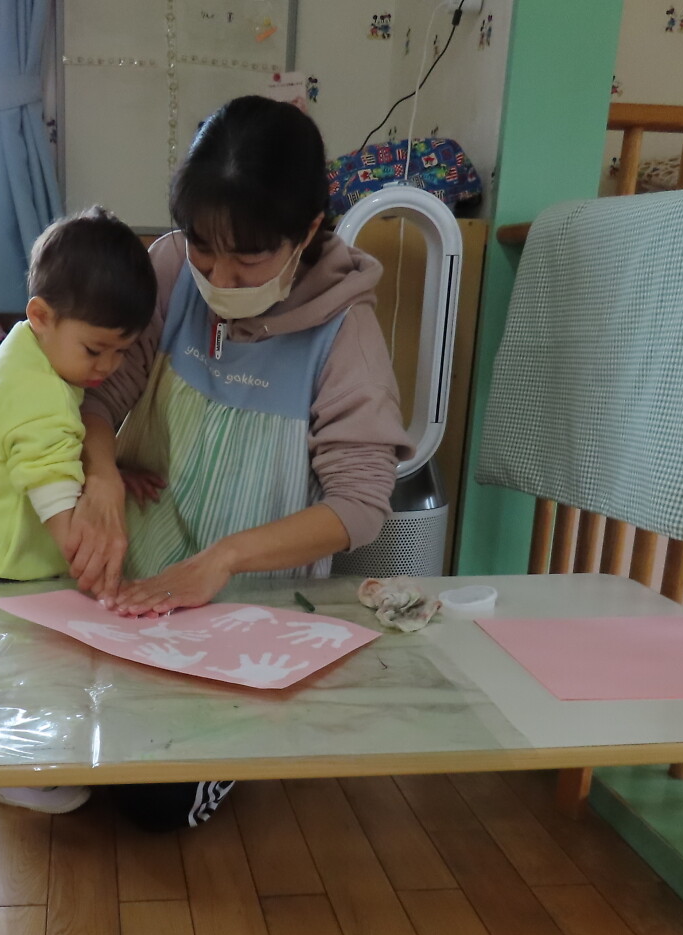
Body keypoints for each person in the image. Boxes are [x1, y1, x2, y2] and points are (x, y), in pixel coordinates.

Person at [59, 95, 412, 830]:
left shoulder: (344, 333)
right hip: (135, 580)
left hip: (250, 608)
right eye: (203, 247)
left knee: (154, 797)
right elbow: (99, 397)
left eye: (249, 259)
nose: (219, 276)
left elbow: (359, 505)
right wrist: (101, 478)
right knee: (50, 722)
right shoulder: (166, 271)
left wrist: (221, 561)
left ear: (307, 231)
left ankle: (226, 756)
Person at [0, 205, 157, 585]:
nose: (108, 366)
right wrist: (106, 581)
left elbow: (36, 447)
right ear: (41, 316)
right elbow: (66, 524)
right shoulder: (41, 395)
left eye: (123, 351)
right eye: (94, 350)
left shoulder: (24, 346)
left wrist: (104, 475)